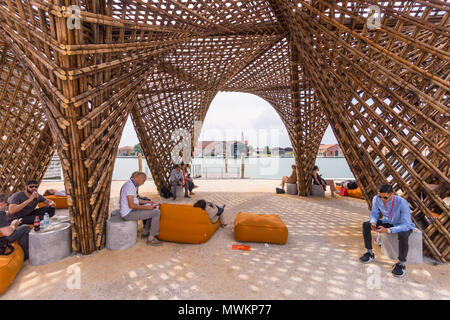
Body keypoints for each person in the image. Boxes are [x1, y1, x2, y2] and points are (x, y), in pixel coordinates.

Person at [360, 184, 416, 278]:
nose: (382, 199)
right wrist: (373, 222)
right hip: (387, 221)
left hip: (402, 225)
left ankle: (401, 264)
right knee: (366, 225)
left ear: (392, 194)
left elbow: (406, 224)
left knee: (403, 235)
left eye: (385, 197)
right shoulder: (376, 199)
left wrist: (388, 230)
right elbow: (374, 213)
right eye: (379, 196)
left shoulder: (402, 203)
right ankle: (369, 253)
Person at [119, 172, 162, 246]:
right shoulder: (130, 186)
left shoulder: (131, 185)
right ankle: (151, 239)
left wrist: (149, 202)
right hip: (128, 214)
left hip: (130, 211)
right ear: (139, 178)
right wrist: (147, 207)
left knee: (152, 209)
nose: (143, 183)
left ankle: (145, 233)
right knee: (157, 212)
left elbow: (136, 200)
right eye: (143, 181)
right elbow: (131, 205)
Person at [0, 193, 30, 260]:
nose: (7, 206)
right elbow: (8, 233)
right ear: (1, 203)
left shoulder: (2, 213)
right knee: (25, 228)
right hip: (2, 239)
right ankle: (25, 255)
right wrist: (14, 224)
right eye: (7, 204)